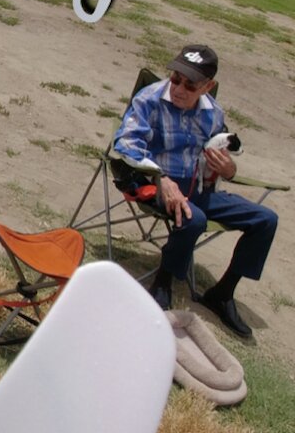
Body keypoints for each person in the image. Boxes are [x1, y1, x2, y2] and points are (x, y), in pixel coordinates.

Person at [113, 44, 279, 338]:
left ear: (208, 86)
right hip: (155, 181)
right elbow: (125, 145)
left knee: (266, 219)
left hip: (198, 186)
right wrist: (160, 176)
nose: (178, 88)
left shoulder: (213, 113)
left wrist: (229, 170)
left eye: (190, 85)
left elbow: (224, 151)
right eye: (176, 78)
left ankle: (222, 293)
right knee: (194, 218)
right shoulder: (150, 99)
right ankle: (163, 282)